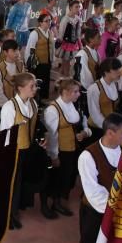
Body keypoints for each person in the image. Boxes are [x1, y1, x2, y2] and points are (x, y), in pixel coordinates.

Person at [75, 112, 122, 243]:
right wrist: (115, 207)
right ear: (110, 133)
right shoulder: (88, 156)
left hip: (118, 211)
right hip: (94, 212)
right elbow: (93, 192)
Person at [0, 72, 46, 225]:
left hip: (29, 149)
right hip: (14, 151)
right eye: (31, 86)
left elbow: (35, 127)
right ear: (20, 88)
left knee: (23, 181)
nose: (35, 89)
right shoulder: (9, 107)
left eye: (35, 86)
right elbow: (5, 135)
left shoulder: (33, 103)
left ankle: (18, 207)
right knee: (13, 183)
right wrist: (6, 155)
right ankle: (9, 215)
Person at [44, 78, 90, 218]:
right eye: (75, 92)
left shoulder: (73, 105)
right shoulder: (53, 109)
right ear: (65, 92)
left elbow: (83, 122)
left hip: (72, 148)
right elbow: (52, 134)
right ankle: (52, 203)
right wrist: (54, 155)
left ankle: (59, 200)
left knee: (66, 176)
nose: (78, 94)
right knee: (56, 177)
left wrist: (84, 132)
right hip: (60, 150)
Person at [87, 58, 122, 140]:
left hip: (112, 128)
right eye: (116, 70)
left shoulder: (116, 85)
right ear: (106, 72)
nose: (119, 72)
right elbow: (95, 114)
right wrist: (109, 127)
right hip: (97, 129)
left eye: (119, 69)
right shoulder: (94, 89)